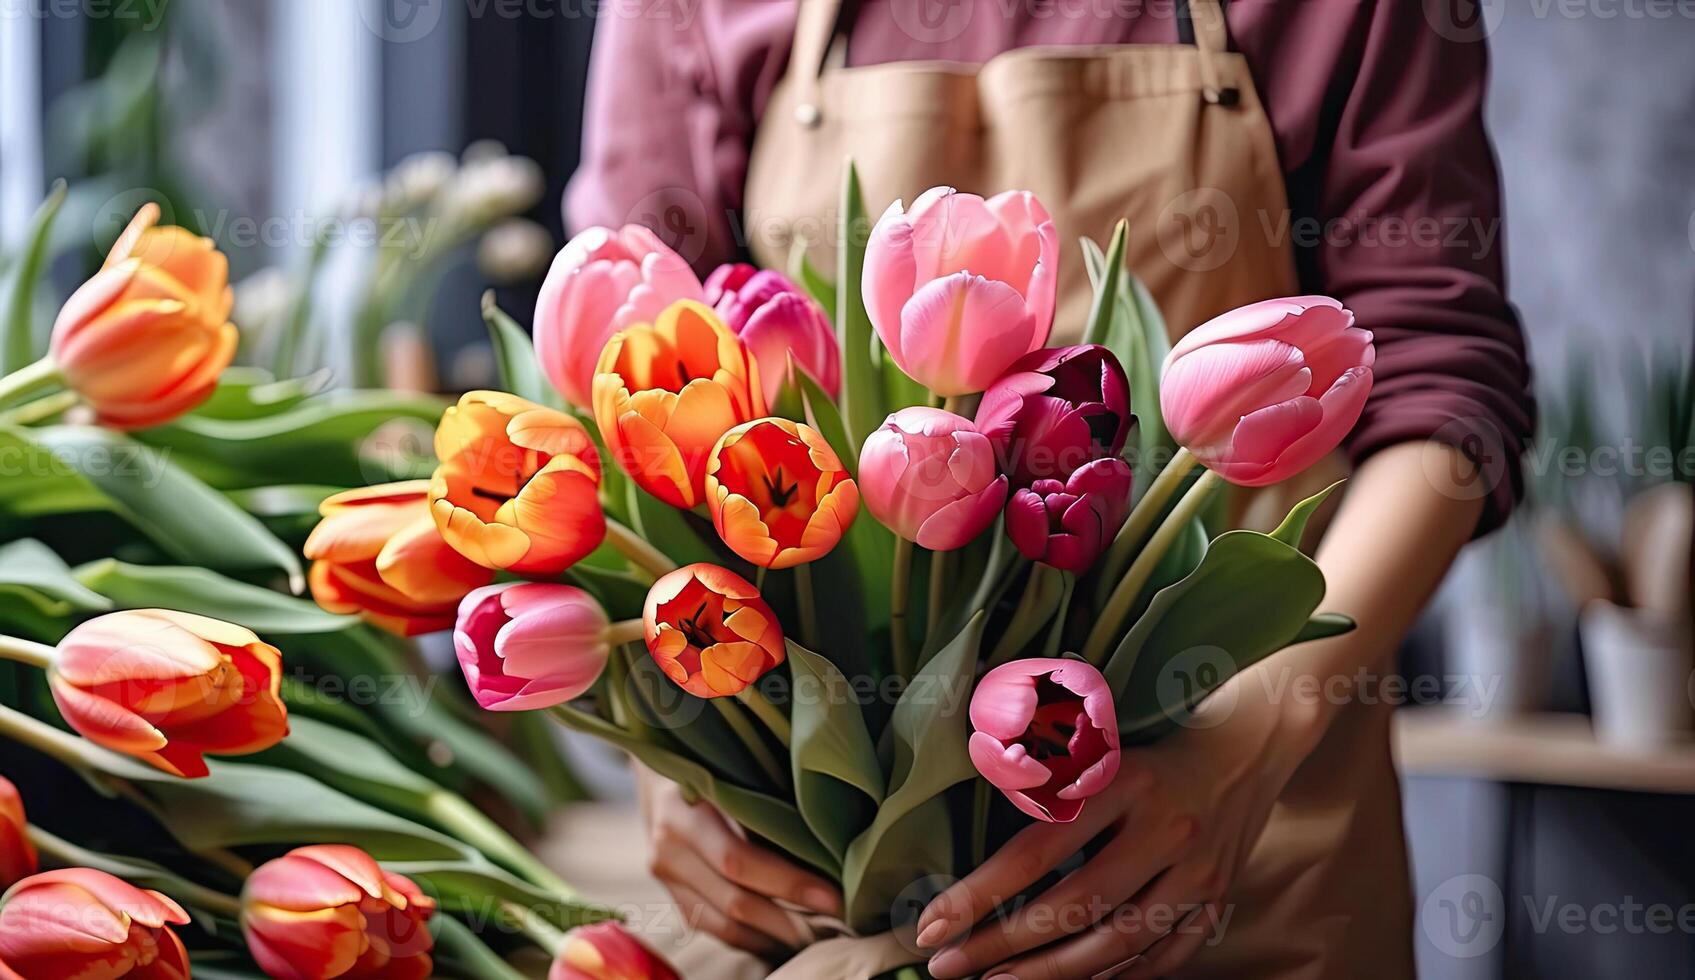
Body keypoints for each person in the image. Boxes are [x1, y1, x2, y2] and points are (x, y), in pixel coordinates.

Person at [568, 0, 1535, 976]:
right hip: (815, 902)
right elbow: (625, 360)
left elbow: (1442, 393)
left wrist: (1247, 742)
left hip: (1227, 864)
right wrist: (678, 760)